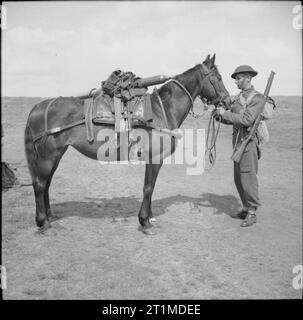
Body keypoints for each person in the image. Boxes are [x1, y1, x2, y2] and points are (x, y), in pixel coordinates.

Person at [215, 65, 264, 227]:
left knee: (248, 178)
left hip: (249, 143)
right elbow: (232, 119)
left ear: (248, 78)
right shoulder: (237, 98)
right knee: (238, 178)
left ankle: (252, 212)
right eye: (236, 78)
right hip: (237, 142)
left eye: (238, 78)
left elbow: (247, 120)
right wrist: (219, 116)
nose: (236, 81)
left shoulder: (257, 98)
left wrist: (225, 113)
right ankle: (245, 207)